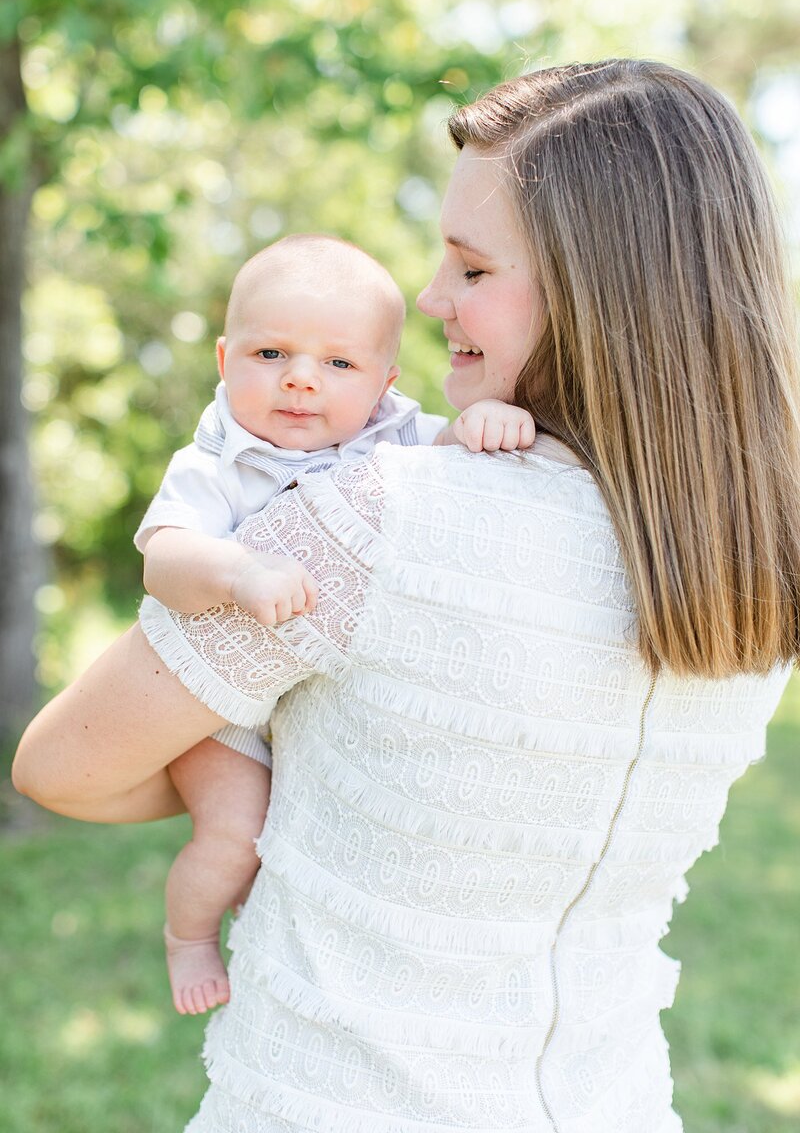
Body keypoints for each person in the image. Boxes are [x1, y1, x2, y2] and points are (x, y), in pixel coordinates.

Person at [13, 59, 800, 1132]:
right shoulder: (752, 565)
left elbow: (64, 766)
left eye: (471, 269)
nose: (431, 300)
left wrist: (277, 754)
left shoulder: (376, 512)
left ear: (594, 287)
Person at [134, 232, 536, 1016]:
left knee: (309, 834)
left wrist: (481, 420)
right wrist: (240, 571)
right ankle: (187, 937)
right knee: (232, 830)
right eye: (271, 354)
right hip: (219, 709)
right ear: (225, 360)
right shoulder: (218, 456)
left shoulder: (393, 434)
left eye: (339, 364)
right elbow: (165, 559)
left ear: (385, 382)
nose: (301, 382)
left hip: (319, 706)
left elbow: (449, 454)